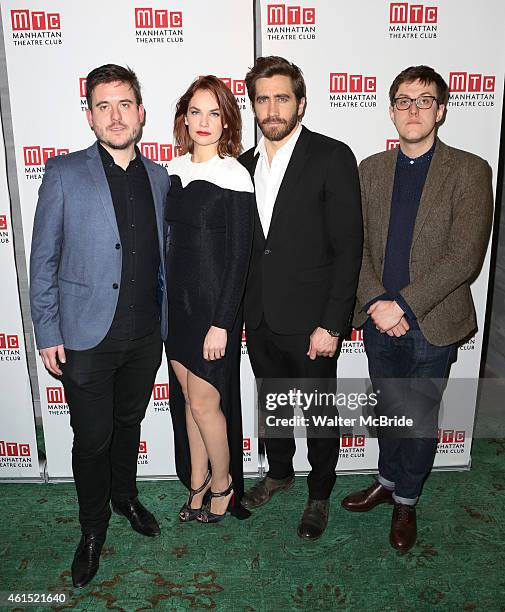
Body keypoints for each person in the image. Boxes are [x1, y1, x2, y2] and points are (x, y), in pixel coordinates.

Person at [341, 65, 493, 552]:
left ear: (441, 110)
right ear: (390, 111)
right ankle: (387, 480)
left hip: (433, 321)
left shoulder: (470, 170)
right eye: (403, 101)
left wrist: (401, 304)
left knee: (420, 417)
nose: (413, 110)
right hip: (378, 320)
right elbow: (354, 245)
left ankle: (406, 497)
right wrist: (375, 303)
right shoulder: (370, 170)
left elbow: (464, 257)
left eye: (424, 101)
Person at [30, 64, 170, 587]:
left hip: (143, 337)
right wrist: (47, 331)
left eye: (125, 105)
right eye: (103, 106)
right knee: (91, 438)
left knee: (129, 424)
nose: (115, 116)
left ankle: (126, 497)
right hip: (85, 337)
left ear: (141, 113)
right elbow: (43, 258)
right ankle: (92, 530)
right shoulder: (65, 173)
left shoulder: (159, 178)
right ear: (89, 116)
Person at [239, 56, 363, 540]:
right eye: (262, 98)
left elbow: (349, 248)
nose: (272, 108)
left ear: (301, 103)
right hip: (261, 317)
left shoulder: (331, 156)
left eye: (282, 97)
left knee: (317, 412)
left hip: (313, 320)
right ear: (253, 106)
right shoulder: (243, 165)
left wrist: (333, 324)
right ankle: (279, 473)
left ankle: (319, 492)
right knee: (272, 406)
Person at [165, 76, 254, 523]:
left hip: (211, 314)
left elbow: (240, 257)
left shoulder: (234, 173)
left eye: (214, 112)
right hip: (176, 313)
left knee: (205, 403)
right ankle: (196, 484)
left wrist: (223, 322)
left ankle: (223, 486)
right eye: (195, 111)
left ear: (227, 121)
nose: (204, 121)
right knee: (188, 400)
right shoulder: (172, 170)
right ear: (184, 117)